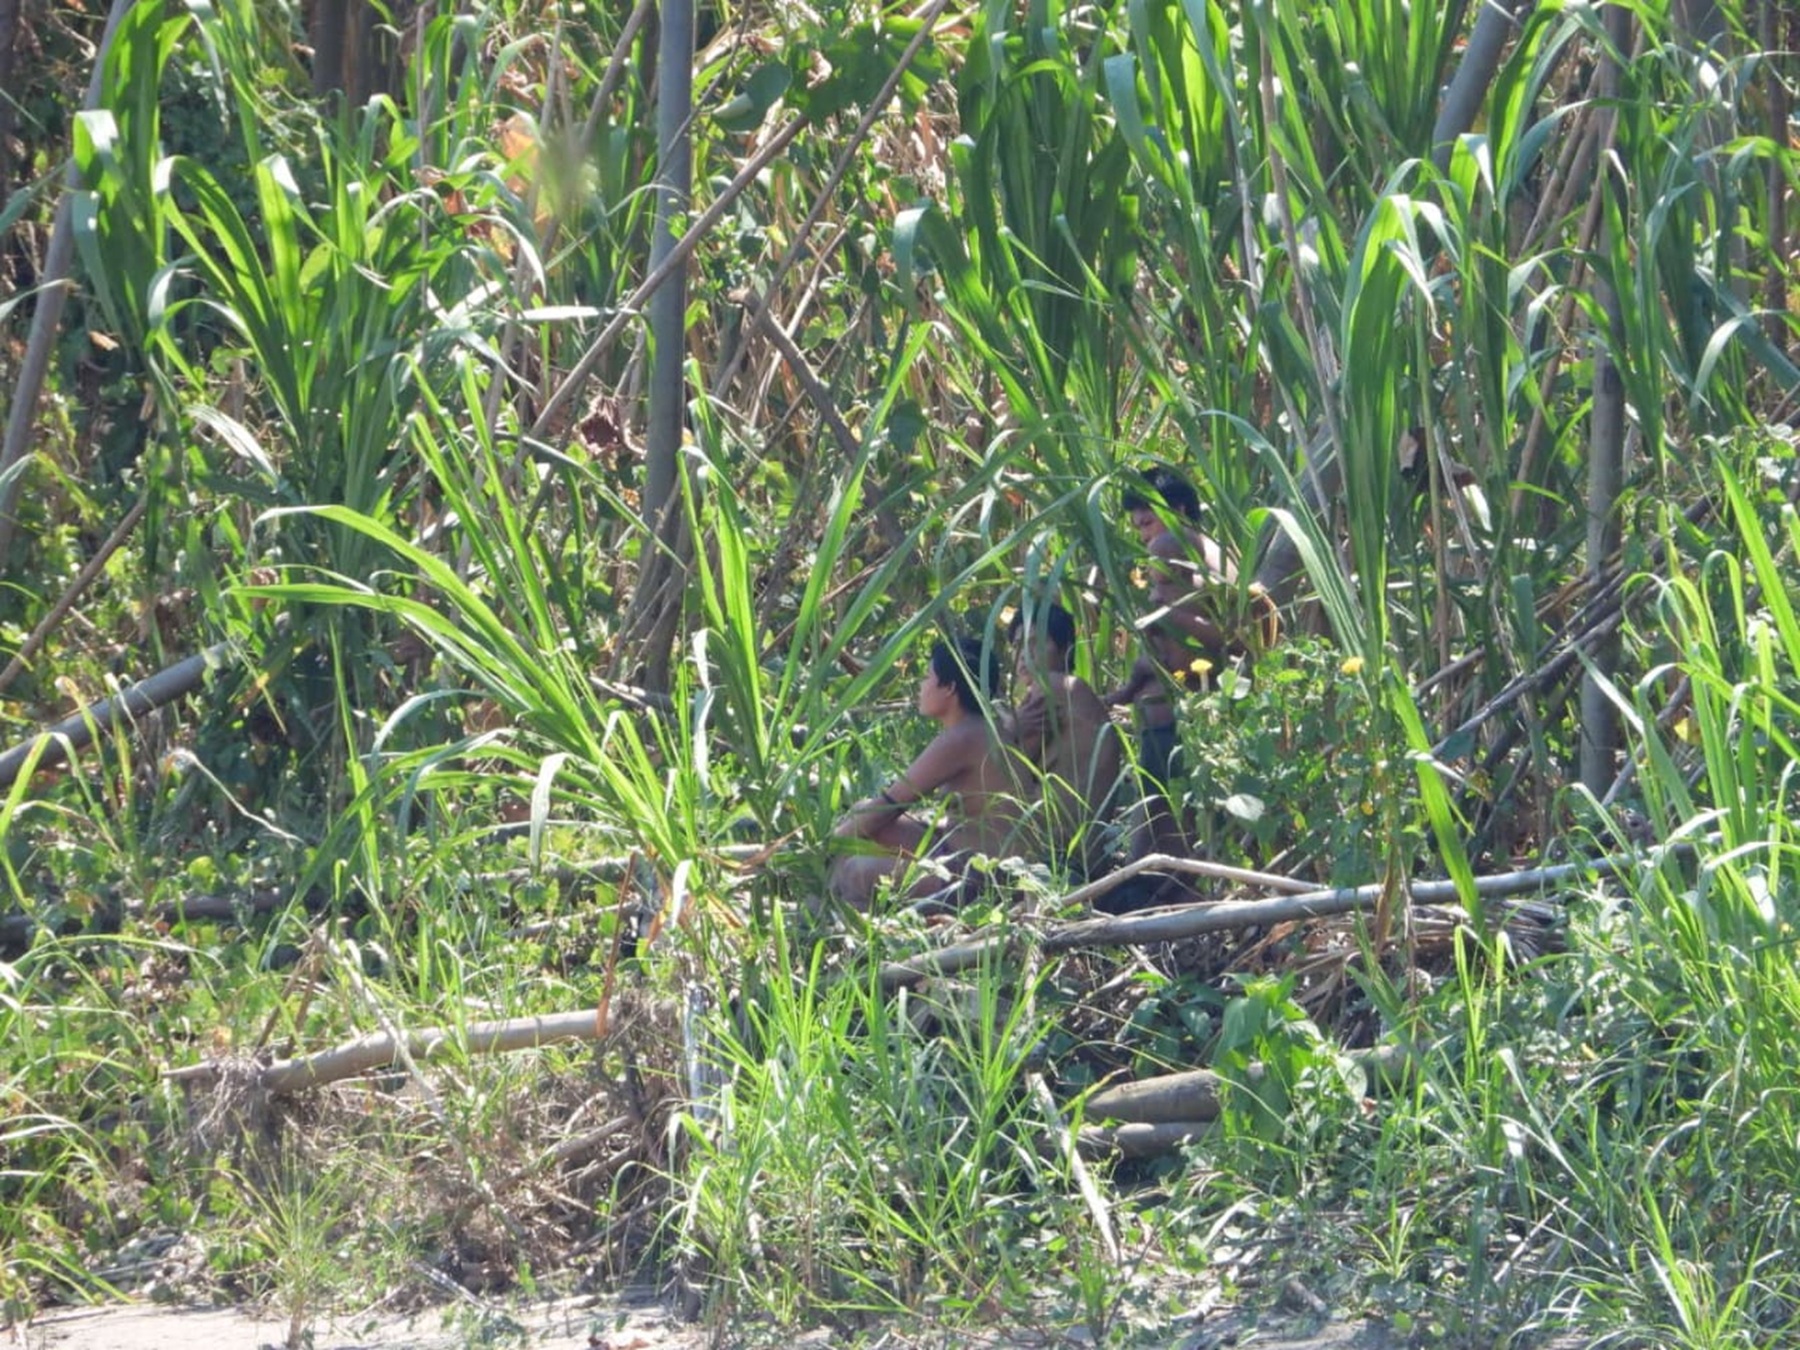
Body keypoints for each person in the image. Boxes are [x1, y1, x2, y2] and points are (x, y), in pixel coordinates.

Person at [1105, 467, 1278, 863]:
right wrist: (1129, 688)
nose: (1145, 534)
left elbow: (1210, 634)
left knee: (1162, 820)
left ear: (1178, 508)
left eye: (1147, 521)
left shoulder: (1169, 545)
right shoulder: (1221, 553)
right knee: (1174, 820)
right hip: (1206, 707)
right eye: (1138, 527)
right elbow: (1234, 638)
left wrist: (1161, 611)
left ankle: (1156, 886)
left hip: (1177, 711)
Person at [828, 634, 1022, 912]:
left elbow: (892, 803)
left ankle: (839, 923)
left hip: (981, 878)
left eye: (927, 677)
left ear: (949, 688)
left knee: (857, 870)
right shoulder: (984, 727)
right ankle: (825, 896)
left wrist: (827, 846)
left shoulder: (963, 737)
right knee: (863, 815)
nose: (921, 685)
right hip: (964, 853)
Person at [1007, 601, 1124, 879]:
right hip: (1084, 856)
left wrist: (1011, 724)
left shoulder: (1054, 687)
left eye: (1036, 643)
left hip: (1054, 856)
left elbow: (999, 768)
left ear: (1065, 649)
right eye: (1016, 646)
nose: (1024, 654)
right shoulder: (1072, 691)